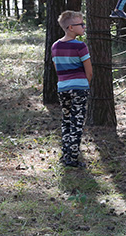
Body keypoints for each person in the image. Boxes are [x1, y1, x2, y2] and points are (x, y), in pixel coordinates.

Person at [52, 11, 93, 168]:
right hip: (79, 88)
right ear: (70, 28)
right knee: (77, 122)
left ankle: (66, 154)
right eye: (80, 25)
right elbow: (89, 72)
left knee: (67, 120)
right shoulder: (81, 46)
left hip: (63, 87)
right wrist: (84, 83)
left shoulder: (55, 46)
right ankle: (73, 159)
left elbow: (58, 69)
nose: (84, 27)